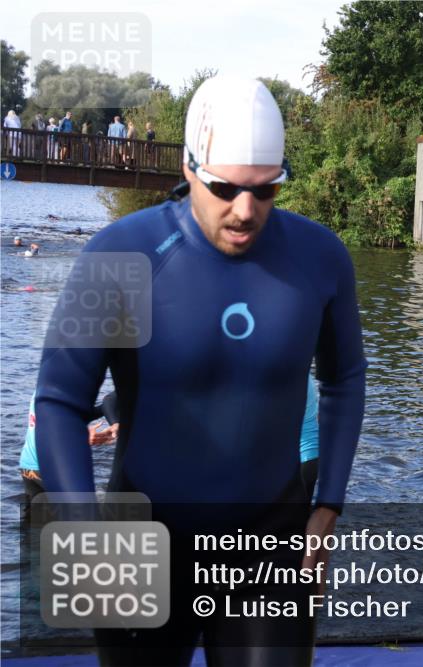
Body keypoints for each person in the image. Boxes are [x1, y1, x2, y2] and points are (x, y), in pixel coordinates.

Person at [34, 76, 366, 666]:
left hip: (272, 546)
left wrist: (328, 506)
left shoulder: (320, 258)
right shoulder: (118, 256)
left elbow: (344, 378)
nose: (246, 211)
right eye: (225, 187)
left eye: (267, 191)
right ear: (189, 167)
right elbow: (60, 399)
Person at [20, 391, 121, 506]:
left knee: (34, 520)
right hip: (53, 469)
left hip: (28, 466)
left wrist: (109, 413)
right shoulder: (64, 391)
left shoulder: (42, 389)